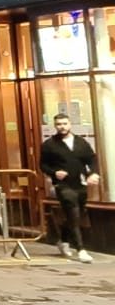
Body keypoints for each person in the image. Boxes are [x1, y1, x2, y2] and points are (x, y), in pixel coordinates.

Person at [41, 112, 100, 263]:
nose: (62, 127)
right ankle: (81, 249)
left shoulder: (81, 142)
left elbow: (92, 160)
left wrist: (93, 173)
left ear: (70, 124)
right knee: (72, 210)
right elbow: (43, 165)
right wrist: (55, 172)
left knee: (75, 215)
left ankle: (63, 241)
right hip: (63, 185)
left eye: (64, 124)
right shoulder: (49, 145)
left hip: (80, 183)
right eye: (59, 124)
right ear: (55, 126)